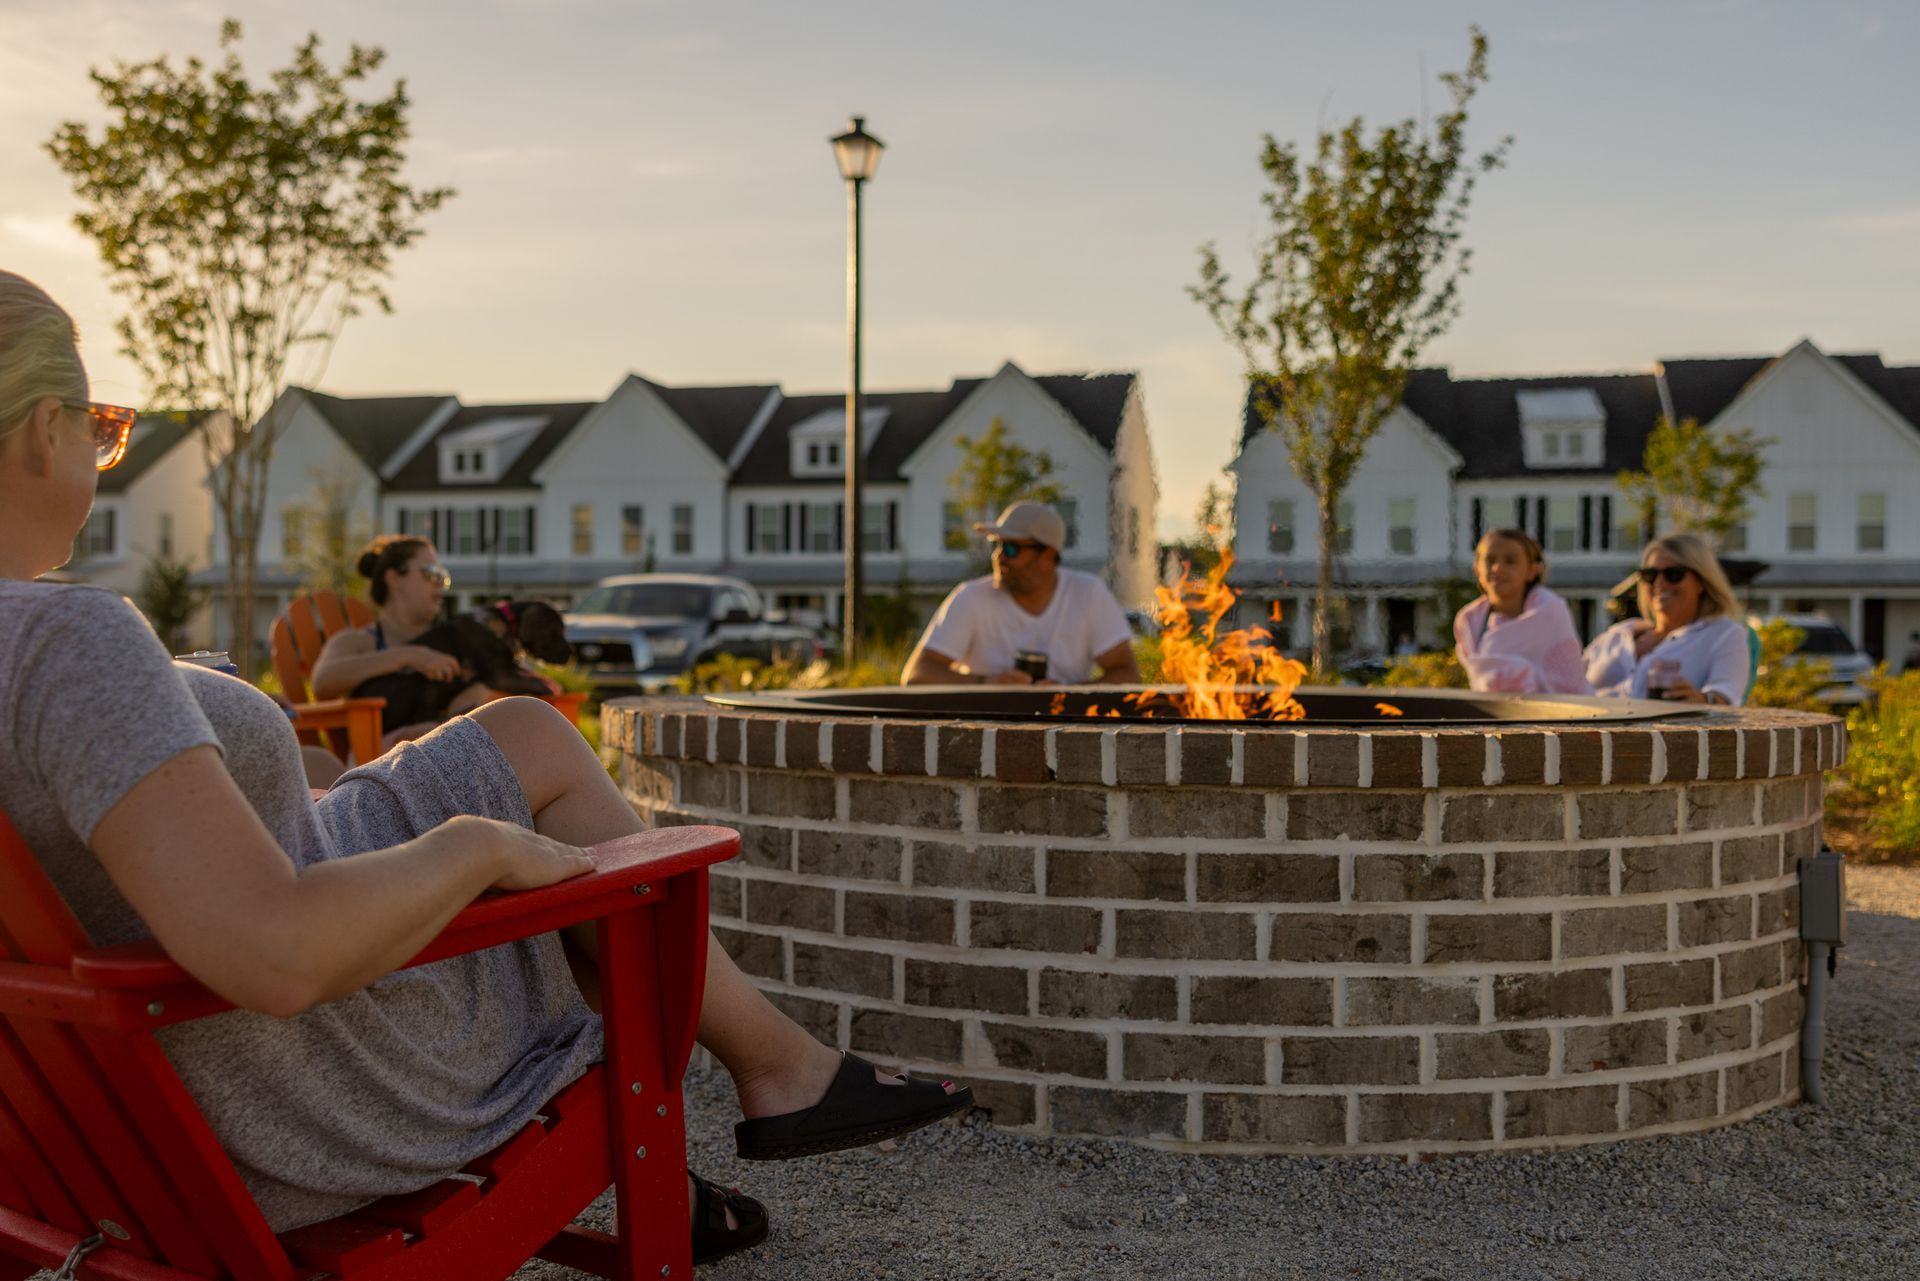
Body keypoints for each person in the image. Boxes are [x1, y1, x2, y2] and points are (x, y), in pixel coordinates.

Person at [0, 271, 967, 1261]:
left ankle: (771, 1072)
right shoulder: (68, 642)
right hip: (311, 1083)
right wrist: (474, 849)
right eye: (103, 428)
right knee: (585, 865)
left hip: (100, 1094)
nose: (106, 452)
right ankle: (732, 1104)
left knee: (523, 735)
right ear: (43, 428)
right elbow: (277, 957)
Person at [904, 500, 1142, 685]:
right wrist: (987, 684)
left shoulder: (1088, 594)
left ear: (1047, 557)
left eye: (1011, 548)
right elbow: (917, 675)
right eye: (996, 545)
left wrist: (1068, 694)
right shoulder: (971, 598)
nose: (998, 556)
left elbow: (1127, 673)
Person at [309, 535, 492, 746]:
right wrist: (407, 656)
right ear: (394, 579)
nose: (440, 585)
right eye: (431, 573)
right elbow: (322, 682)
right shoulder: (360, 642)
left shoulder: (453, 642)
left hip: (448, 750)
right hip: (378, 758)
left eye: (443, 577)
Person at [1584, 532, 1751, 705]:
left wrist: (1702, 700)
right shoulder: (1619, 634)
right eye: (1650, 575)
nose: (1659, 584)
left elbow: (1726, 695)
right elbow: (1568, 680)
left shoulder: (1724, 634)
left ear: (1701, 581)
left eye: (1673, 574)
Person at [1452, 528, 1592, 695]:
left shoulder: (1551, 611)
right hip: (1492, 715)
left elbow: (1570, 682)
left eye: (1510, 561)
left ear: (1532, 571)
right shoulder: (1468, 620)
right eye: (1490, 560)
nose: (1497, 568)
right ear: (1477, 569)